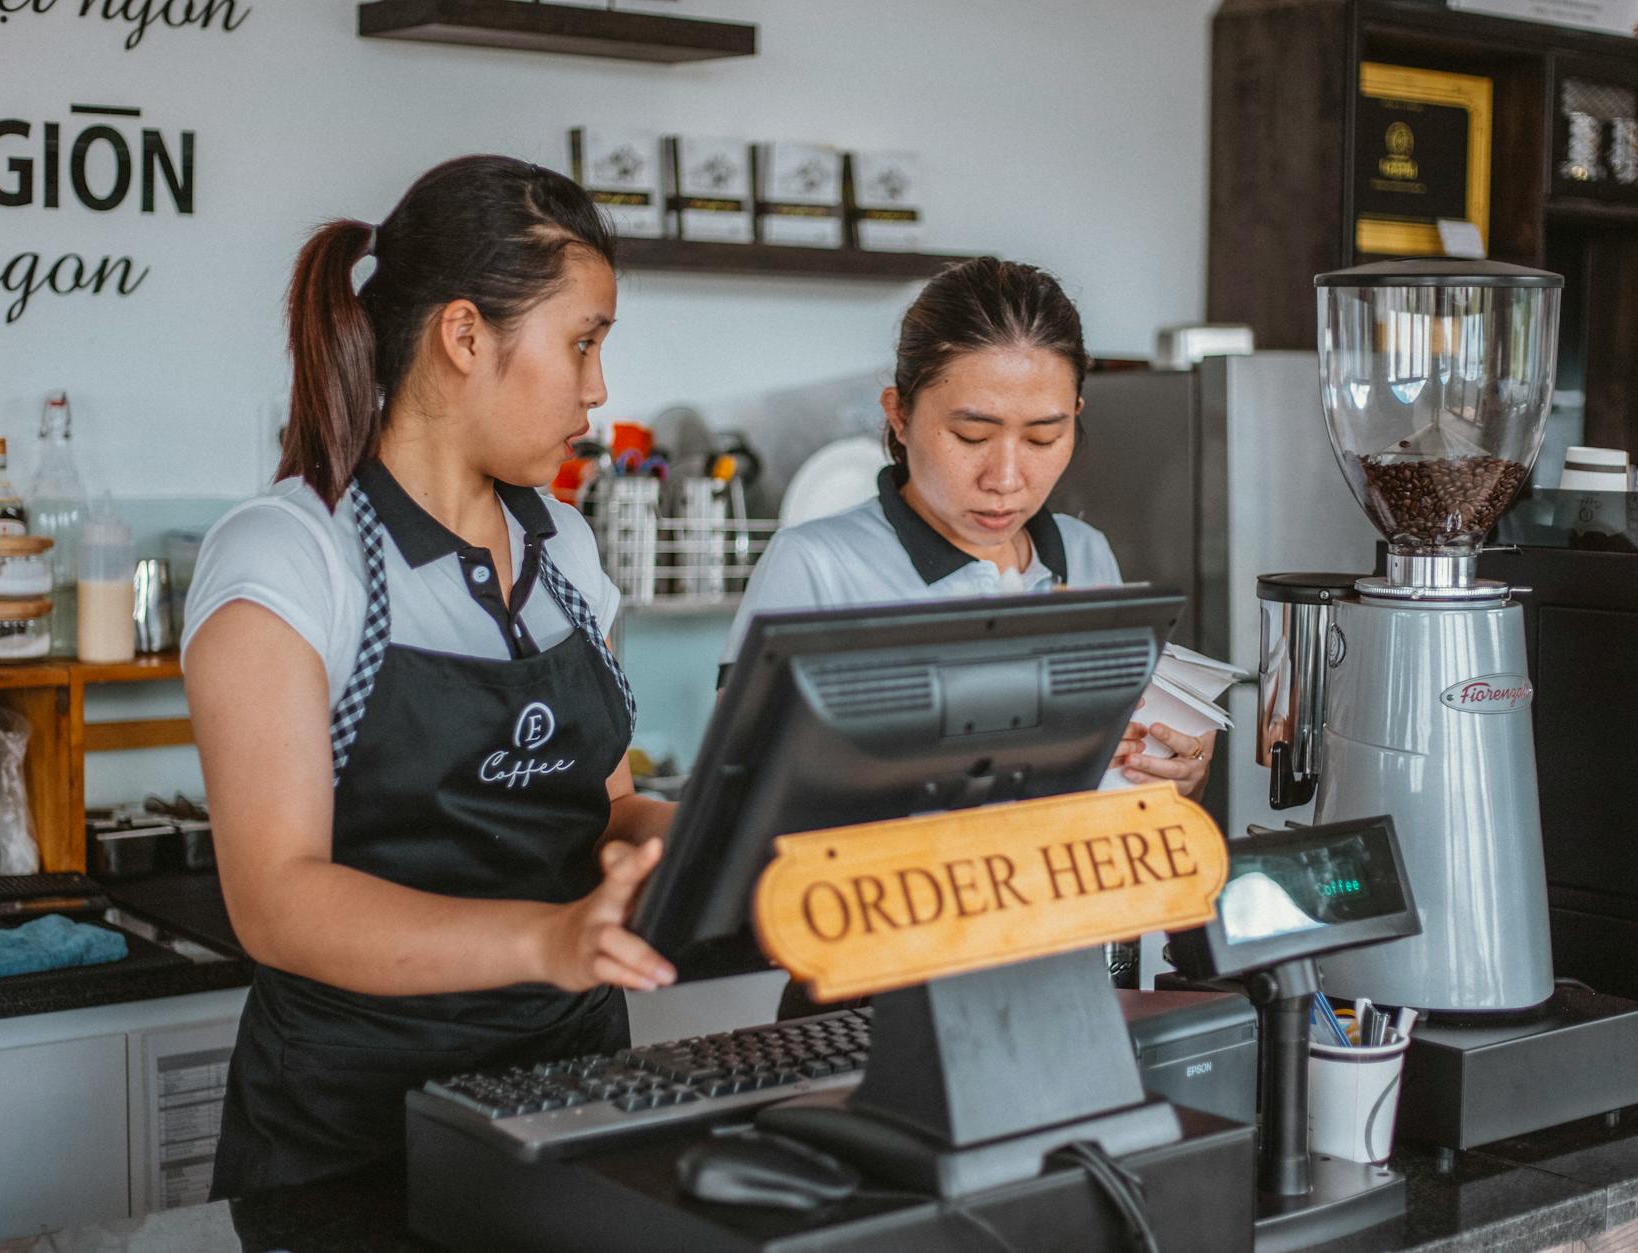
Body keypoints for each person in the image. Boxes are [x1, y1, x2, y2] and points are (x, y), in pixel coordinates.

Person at [182, 155, 676, 1197]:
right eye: (582, 343)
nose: (597, 389)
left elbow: (604, 802)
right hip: (351, 1130)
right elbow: (276, 900)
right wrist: (547, 937)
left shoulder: (569, 548)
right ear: (462, 335)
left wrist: (694, 839)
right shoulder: (289, 554)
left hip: (577, 1091)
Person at [723, 256, 1215, 795]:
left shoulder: (1084, 554)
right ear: (900, 415)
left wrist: (1167, 771)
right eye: (972, 437)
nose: (1005, 479)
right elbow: (743, 793)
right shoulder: (815, 567)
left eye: (1042, 439)